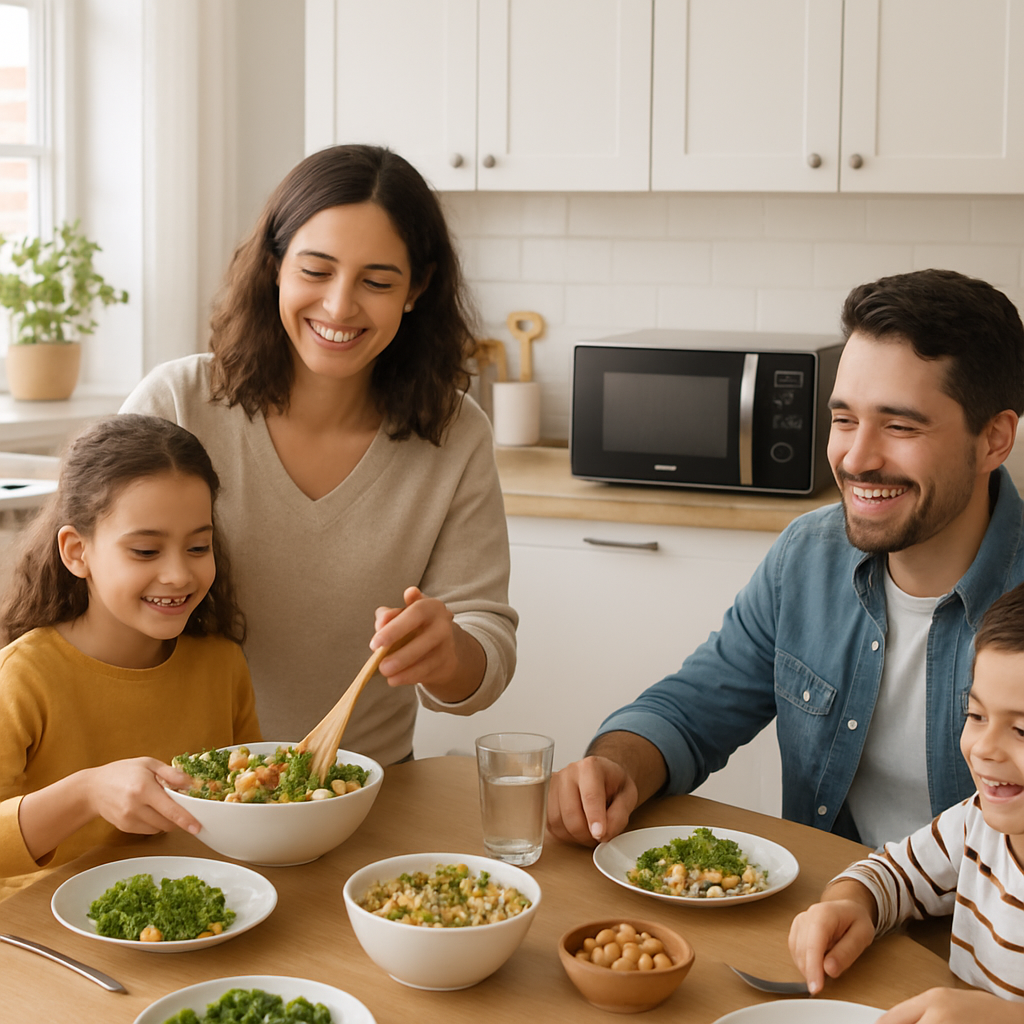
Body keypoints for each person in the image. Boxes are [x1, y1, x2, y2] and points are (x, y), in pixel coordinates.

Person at [547, 268, 1024, 848]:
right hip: (832, 917)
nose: (856, 458)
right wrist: (616, 767)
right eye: (844, 420)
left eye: (899, 425)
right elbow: (691, 710)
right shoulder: (806, 557)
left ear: (995, 440)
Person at [121, 144, 517, 767]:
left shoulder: (454, 433)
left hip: (365, 795)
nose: (338, 307)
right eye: (315, 270)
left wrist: (449, 653)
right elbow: (82, 599)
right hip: (180, 789)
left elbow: (482, 655)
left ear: (417, 288)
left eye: (377, 282)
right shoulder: (176, 402)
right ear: (275, 265)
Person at [0, 415, 260, 900]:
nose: (179, 574)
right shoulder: (23, 677)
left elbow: (250, 801)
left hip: (193, 915)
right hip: (41, 939)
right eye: (145, 551)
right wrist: (87, 793)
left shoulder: (222, 665)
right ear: (77, 552)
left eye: (199, 546)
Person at [788, 580, 1024, 1020]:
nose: (984, 748)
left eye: (1022, 730)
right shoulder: (977, 824)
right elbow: (896, 873)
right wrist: (851, 902)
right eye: (976, 716)